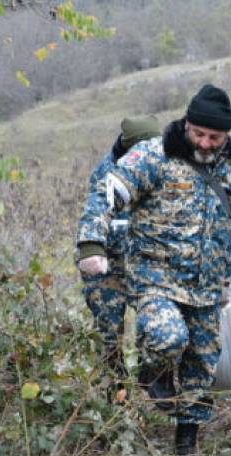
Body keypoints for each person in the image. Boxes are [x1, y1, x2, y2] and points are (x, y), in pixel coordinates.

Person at [76, 84, 231, 456]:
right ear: (186, 124)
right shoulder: (153, 155)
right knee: (168, 338)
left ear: (226, 135)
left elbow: (229, 223)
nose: (205, 142)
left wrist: (229, 275)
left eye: (214, 137)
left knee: (203, 362)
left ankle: (188, 441)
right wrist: (91, 244)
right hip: (155, 278)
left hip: (207, 284)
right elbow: (109, 189)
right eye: (198, 133)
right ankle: (152, 371)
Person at [76, 115, 160, 390]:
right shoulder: (107, 173)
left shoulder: (163, 168)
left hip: (145, 263)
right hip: (108, 266)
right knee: (109, 332)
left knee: (155, 324)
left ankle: (153, 380)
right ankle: (117, 391)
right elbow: (95, 214)